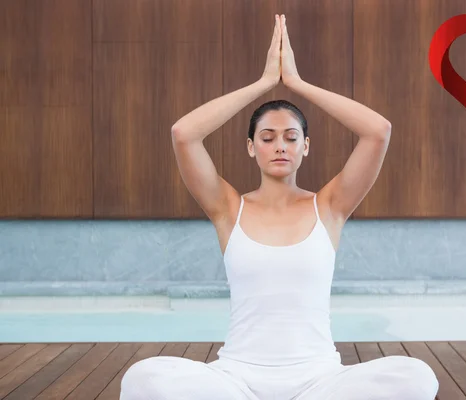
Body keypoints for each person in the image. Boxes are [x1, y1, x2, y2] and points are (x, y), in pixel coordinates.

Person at [120, 14, 439, 400]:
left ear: (305, 146)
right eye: (267, 138)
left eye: (291, 137)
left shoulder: (331, 206)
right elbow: (184, 134)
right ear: (252, 147)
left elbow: (378, 130)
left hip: (320, 381)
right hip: (236, 380)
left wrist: (299, 84)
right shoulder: (227, 209)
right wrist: (263, 83)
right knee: (143, 378)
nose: (280, 146)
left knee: (417, 377)